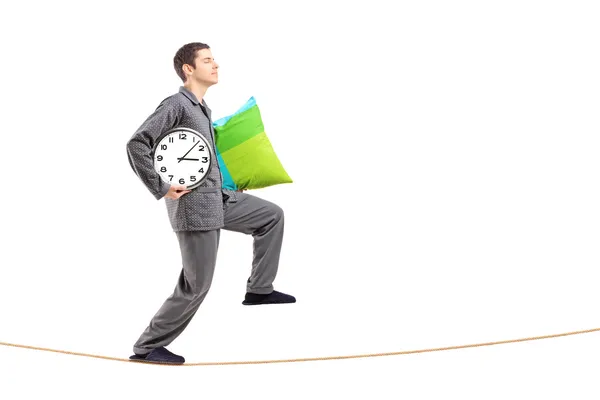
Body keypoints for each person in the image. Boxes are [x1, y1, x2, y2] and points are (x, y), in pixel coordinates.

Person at [125, 42, 295, 365]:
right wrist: (161, 187)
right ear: (189, 69)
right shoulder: (176, 104)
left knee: (271, 216)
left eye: (214, 59)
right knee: (197, 284)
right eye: (207, 60)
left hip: (219, 200)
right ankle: (147, 345)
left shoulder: (203, 109)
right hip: (194, 209)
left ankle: (259, 289)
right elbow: (137, 144)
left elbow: (203, 159)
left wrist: (227, 184)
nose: (215, 64)